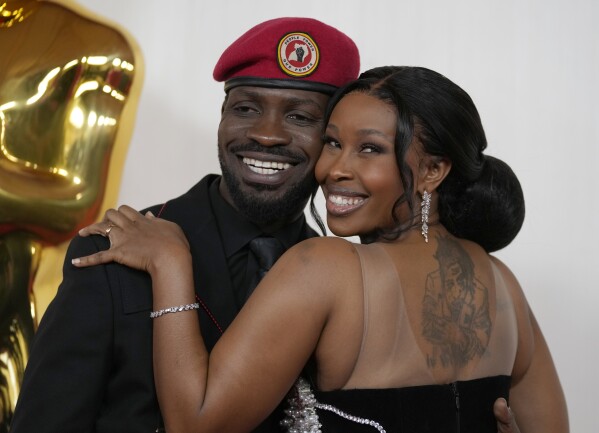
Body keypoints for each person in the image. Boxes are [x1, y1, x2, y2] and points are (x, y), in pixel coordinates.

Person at [73, 66, 567, 432]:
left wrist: (170, 261)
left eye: (369, 149)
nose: (333, 170)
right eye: (332, 143)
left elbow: (197, 422)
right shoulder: (503, 285)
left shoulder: (326, 266)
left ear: (435, 170)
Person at [9, 17, 359, 433]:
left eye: (300, 117)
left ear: (335, 140)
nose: (267, 136)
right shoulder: (113, 249)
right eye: (246, 108)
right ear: (222, 115)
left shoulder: (341, 280)